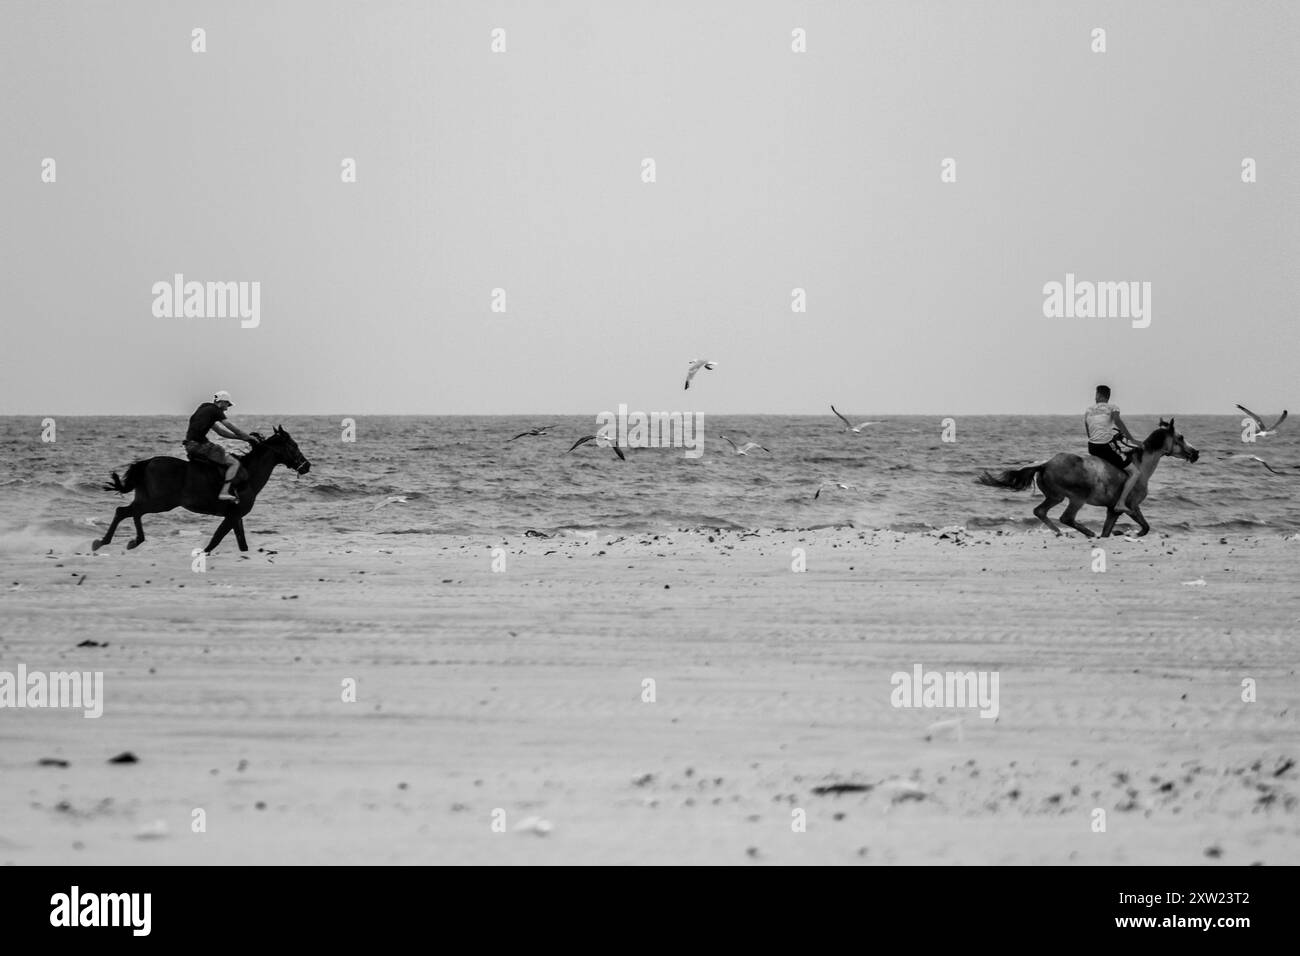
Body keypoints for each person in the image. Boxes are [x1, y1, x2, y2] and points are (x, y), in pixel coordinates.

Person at [184, 390, 258, 502]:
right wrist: (249, 438)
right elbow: (229, 426)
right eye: (227, 404)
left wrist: (240, 438)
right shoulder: (215, 410)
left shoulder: (204, 408)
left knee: (219, 453)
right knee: (234, 463)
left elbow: (220, 432)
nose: (227, 408)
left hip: (189, 445)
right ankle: (224, 492)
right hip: (199, 446)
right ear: (222, 402)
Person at [1084, 385, 1141, 516]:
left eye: (1096, 394)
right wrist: (1131, 439)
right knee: (1135, 472)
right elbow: (1117, 421)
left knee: (1116, 452)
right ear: (1107, 396)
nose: (1095, 397)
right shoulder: (1113, 407)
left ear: (1100, 395)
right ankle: (1121, 503)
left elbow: (1088, 429)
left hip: (1092, 447)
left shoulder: (1088, 410)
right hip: (1105, 447)